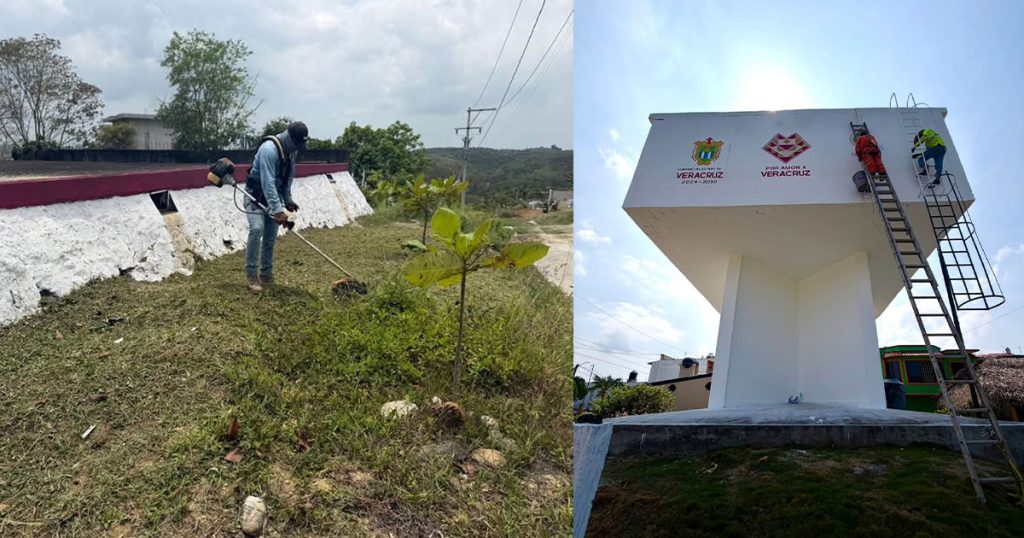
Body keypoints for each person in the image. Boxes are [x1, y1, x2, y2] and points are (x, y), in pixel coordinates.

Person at [244, 121, 309, 293]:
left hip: (274, 197)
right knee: (257, 229)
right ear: (288, 136)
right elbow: (268, 183)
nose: (297, 148)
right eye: (296, 144)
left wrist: (287, 199)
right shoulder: (268, 150)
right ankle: (252, 275)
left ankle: (266, 274)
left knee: (270, 236)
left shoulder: (290, 153)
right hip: (255, 196)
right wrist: (278, 210)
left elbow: (287, 177)